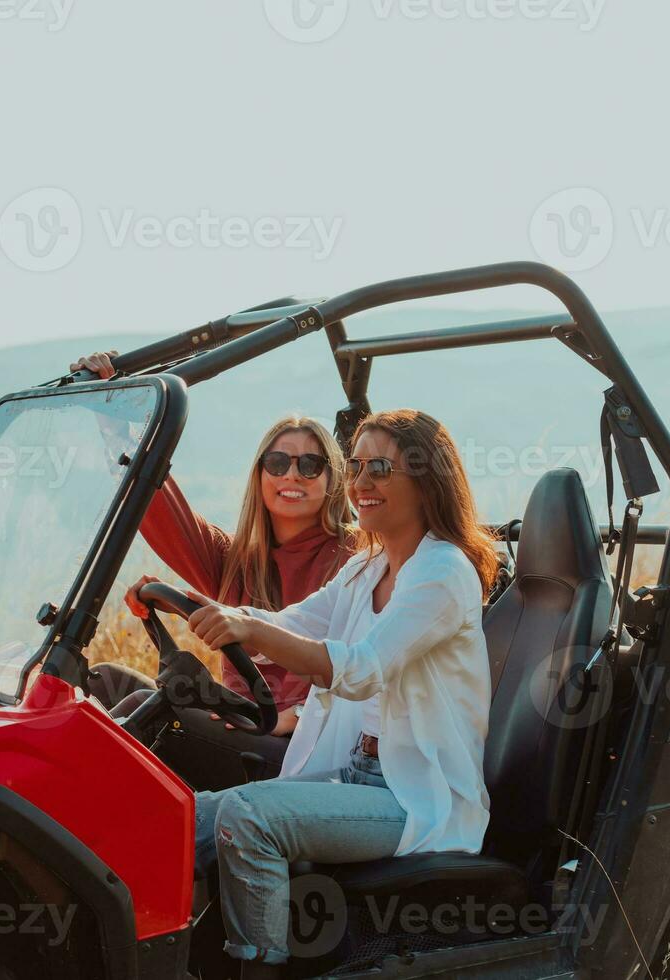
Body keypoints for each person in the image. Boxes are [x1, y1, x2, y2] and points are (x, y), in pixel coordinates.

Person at [137, 408, 499, 978]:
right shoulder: (366, 568)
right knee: (176, 817)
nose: (360, 484)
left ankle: (255, 972)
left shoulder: (442, 573)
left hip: (413, 796)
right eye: (356, 468)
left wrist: (250, 628)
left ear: (427, 479)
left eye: (379, 468)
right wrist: (220, 614)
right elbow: (293, 626)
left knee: (248, 815)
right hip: (353, 773)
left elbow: (358, 669)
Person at [70, 350, 358, 783]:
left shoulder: (355, 557)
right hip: (237, 722)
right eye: (278, 463)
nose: (292, 476)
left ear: (332, 479)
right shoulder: (235, 559)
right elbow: (160, 507)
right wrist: (115, 428)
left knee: (140, 721)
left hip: (298, 748)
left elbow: (367, 665)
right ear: (259, 475)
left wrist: (293, 716)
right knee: (101, 682)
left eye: (310, 464)